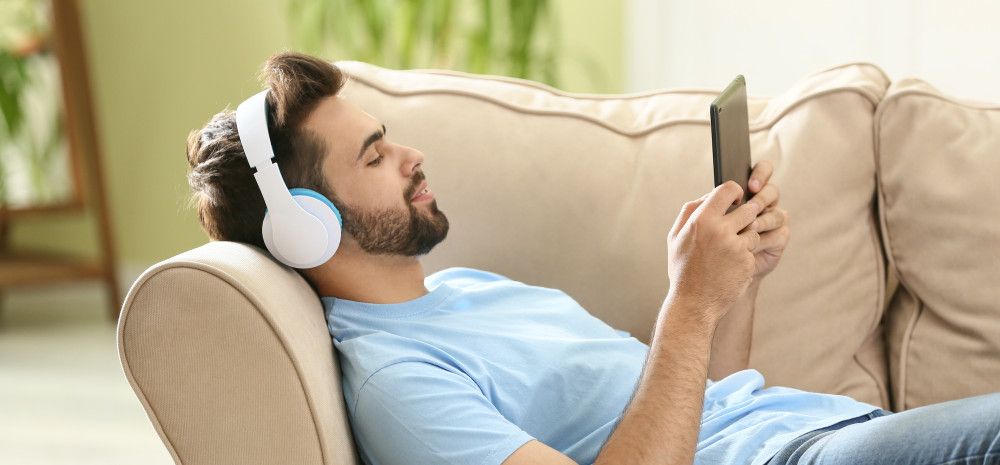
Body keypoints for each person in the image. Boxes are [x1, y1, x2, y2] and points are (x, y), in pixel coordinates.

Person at [184, 52, 1000, 465]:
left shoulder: (464, 287)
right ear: (306, 229)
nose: (411, 156)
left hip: (822, 431)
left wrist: (731, 283)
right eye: (374, 157)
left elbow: (702, 411)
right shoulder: (398, 385)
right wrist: (685, 303)